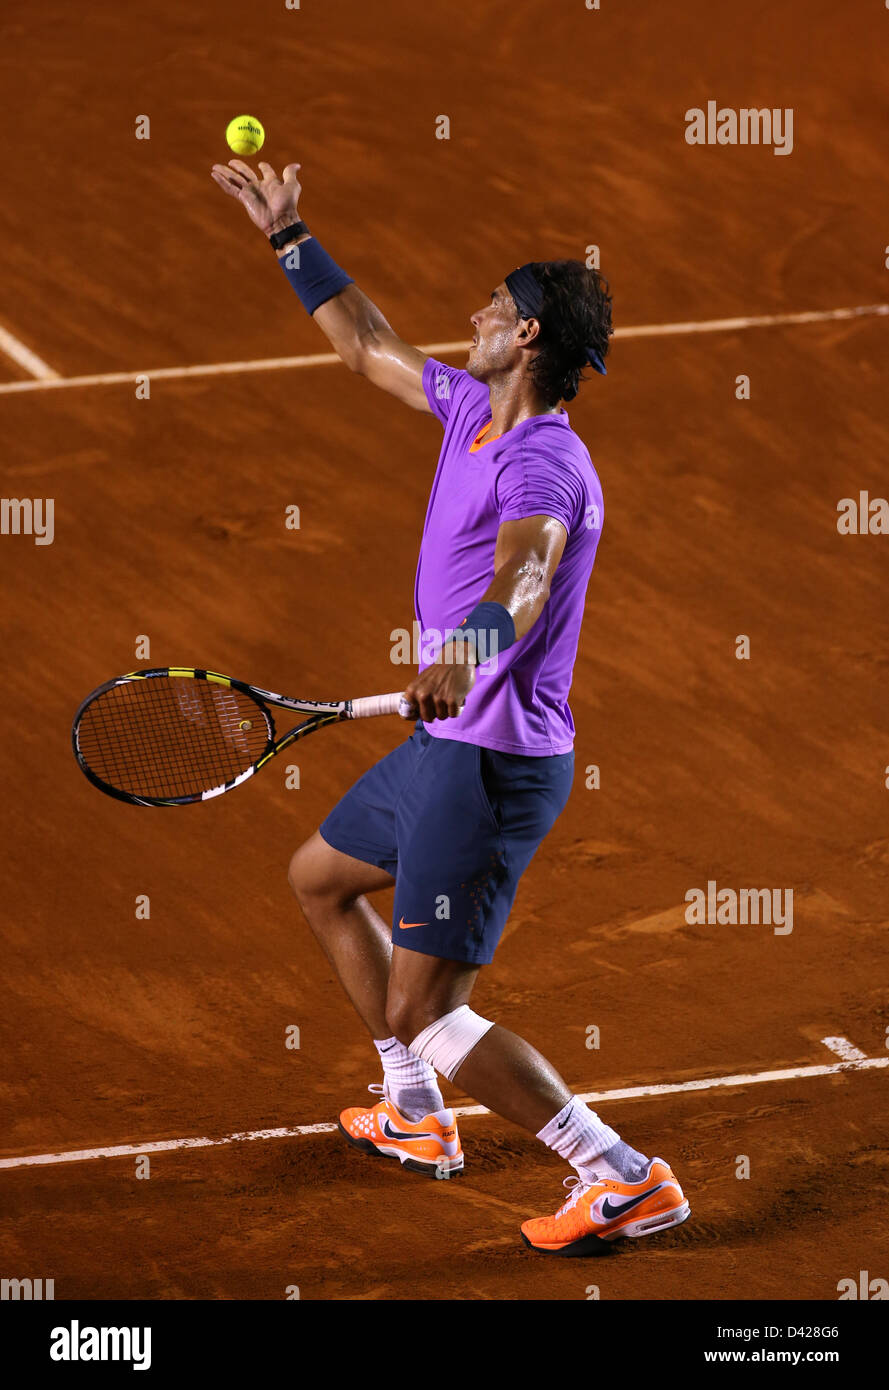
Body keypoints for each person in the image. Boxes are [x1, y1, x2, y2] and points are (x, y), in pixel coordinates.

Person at [211, 157, 689, 1254]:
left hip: (489, 763)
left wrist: (466, 650)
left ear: (526, 337)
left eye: (492, 304)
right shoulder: (469, 404)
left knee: (428, 1010)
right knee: (320, 880)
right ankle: (416, 1115)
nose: (472, 313)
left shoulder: (544, 468)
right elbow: (367, 343)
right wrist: (291, 237)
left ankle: (619, 1174)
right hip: (444, 742)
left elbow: (522, 580)